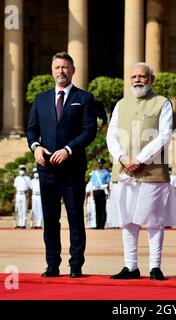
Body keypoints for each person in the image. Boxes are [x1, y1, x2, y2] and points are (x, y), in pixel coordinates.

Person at [26, 52, 97, 278]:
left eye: (65, 67)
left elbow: (89, 131)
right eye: (57, 67)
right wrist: (36, 146)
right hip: (46, 168)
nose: (61, 71)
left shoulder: (84, 98)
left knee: (75, 216)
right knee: (50, 218)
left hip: (72, 168)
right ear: (52, 70)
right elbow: (31, 129)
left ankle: (76, 264)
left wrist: (68, 149)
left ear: (73, 70)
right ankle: (52, 264)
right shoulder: (41, 99)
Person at [106, 62, 176, 280]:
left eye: (142, 77)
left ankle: (155, 266)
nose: (138, 80)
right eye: (134, 77)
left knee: (154, 220)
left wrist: (139, 159)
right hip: (124, 170)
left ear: (151, 79)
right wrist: (122, 158)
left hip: (152, 171)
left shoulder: (162, 103)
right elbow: (112, 135)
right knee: (127, 219)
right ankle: (131, 266)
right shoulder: (121, 104)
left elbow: (164, 136)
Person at [89, 158, 111, 229]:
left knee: (102, 208)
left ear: (103, 164)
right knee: (97, 208)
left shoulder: (106, 172)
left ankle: (102, 225)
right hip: (96, 190)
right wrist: (92, 193)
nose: (99, 165)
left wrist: (108, 193)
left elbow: (108, 183)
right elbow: (92, 183)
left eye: (100, 163)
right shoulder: (94, 173)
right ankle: (97, 225)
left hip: (102, 191)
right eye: (98, 163)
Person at [13, 165, 31, 229]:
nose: (22, 171)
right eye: (21, 169)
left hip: (24, 195)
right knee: (18, 209)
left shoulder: (27, 178)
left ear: (25, 171)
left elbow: (29, 188)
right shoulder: (17, 178)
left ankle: (23, 224)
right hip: (18, 194)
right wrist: (14, 197)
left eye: (23, 169)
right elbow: (15, 188)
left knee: (24, 209)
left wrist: (28, 197)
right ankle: (18, 223)